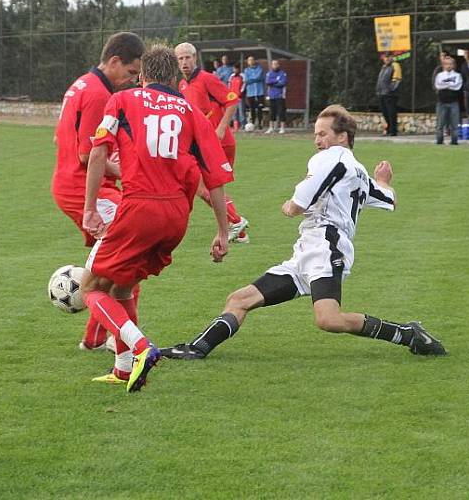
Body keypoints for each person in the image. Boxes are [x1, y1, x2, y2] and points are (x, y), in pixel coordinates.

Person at [160, 104, 447, 361]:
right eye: (315, 134)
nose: (317, 140)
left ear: (342, 137)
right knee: (239, 299)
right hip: (308, 249)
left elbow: (299, 203)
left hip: (326, 245)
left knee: (328, 319)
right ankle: (196, 348)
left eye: (322, 134)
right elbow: (389, 200)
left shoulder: (333, 158)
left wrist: (290, 206)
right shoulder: (358, 171)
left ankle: (408, 333)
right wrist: (383, 181)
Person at [80, 44, 233, 391]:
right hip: (177, 217)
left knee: (90, 287)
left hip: (139, 208)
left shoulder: (122, 100)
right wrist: (224, 232)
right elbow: (216, 177)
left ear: (144, 75)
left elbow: (98, 153)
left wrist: (89, 208)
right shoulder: (190, 111)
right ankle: (123, 369)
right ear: (177, 78)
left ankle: (141, 347)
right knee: (121, 287)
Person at [51, 32, 145, 351]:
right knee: (130, 261)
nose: (132, 81)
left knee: (116, 267)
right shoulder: (96, 94)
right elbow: (88, 155)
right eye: (131, 73)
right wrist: (134, 173)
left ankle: (97, 338)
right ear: (114, 61)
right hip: (85, 189)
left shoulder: (82, 84)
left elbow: (59, 140)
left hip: (73, 184)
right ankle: (123, 341)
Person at [175, 42, 249, 243]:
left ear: (195, 58)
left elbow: (232, 99)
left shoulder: (207, 79)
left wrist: (221, 128)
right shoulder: (182, 84)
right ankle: (240, 232)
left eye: (187, 57)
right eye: (180, 59)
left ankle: (236, 221)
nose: (184, 62)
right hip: (203, 144)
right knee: (205, 187)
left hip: (219, 143)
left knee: (203, 187)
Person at [434, 56, 463, 145]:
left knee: (454, 124)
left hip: (453, 102)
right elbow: (438, 86)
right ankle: (439, 140)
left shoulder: (457, 75)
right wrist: (450, 85)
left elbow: (457, 86)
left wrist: (445, 85)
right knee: (440, 123)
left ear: (453, 65)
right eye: (446, 64)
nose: (449, 66)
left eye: (450, 64)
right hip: (442, 102)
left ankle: (454, 141)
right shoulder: (439, 75)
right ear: (443, 65)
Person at [376, 53, 401, 136]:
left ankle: (393, 130)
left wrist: (391, 90)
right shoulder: (384, 67)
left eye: (388, 57)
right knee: (385, 112)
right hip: (381, 93)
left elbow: (397, 80)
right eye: (385, 57)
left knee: (391, 112)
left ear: (391, 57)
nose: (386, 59)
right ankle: (389, 129)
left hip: (390, 94)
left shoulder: (395, 65)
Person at [265, 59, 288, 134]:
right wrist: (276, 80)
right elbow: (267, 82)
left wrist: (273, 83)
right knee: (272, 112)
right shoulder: (269, 73)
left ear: (278, 65)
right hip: (271, 95)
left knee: (281, 111)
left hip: (280, 95)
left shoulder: (282, 73)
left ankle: (282, 128)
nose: (274, 65)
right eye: (273, 64)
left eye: (276, 64)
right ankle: (271, 127)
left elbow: (283, 83)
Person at [243, 55, 265, 129]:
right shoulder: (246, 70)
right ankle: (252, 124)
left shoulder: (260, 69)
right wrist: (254, 79)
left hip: (259, 92)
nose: (251, 61)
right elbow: (246, 80)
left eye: (252, 60)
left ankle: (260, 123)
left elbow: (259, 77)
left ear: (254, 61)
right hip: (250, 92)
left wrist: (252, 79)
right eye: (249, 60)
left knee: (259, 108)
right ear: (248, 62)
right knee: (252, 108)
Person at [228, 62, 246, 130]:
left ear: (239, 69)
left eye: (236, 69)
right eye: (234, 69)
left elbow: (244, 85)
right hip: (233, 98)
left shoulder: (242, 76)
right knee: (234, 112)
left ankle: (243, 125)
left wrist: (240, 93)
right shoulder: (231, 76)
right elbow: (229, 85)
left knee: (241, 111)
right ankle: (236, 126)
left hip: (240, 97)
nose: (235, 70)